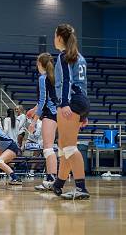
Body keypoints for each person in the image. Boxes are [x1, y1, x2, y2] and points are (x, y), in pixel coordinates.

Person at [51, 24, 90, 200]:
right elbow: (83, 85)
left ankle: (81, 188)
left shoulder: (64, 56)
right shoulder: (79, 57)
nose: (53, 39)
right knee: (63, 146)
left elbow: (67, 81)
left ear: (60, 37)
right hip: (81, 101)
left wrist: (65, 103)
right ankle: (58, 184)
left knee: (69, 147)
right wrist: (84, 114)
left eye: (54, 35)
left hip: (70, 101)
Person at [27, 53, 58, 192]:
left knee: (48, 148)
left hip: (50, 115)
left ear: (40, 64)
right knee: (54, 149)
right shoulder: (54, 77)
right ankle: (54, 179)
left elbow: (43, 101)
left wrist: (33, 122)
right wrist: (34, 109)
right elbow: (48, 98)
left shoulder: (42, 78)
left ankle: (51, 180)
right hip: (57, 114)